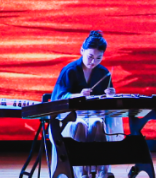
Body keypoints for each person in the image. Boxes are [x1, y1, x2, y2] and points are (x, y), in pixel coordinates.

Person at [50, 30, 120, 178]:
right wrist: (78, 95)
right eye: (90, 57)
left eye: (98, 58)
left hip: (95, 116)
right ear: (82, 51)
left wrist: (110, 96)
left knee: (98, 124)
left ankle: (102, 172)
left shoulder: (103, 73)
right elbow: (58, 98)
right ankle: (80, 173)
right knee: (80, 125)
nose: (93, 62)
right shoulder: (69, 71)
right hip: (69, 118)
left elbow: (106, 104)